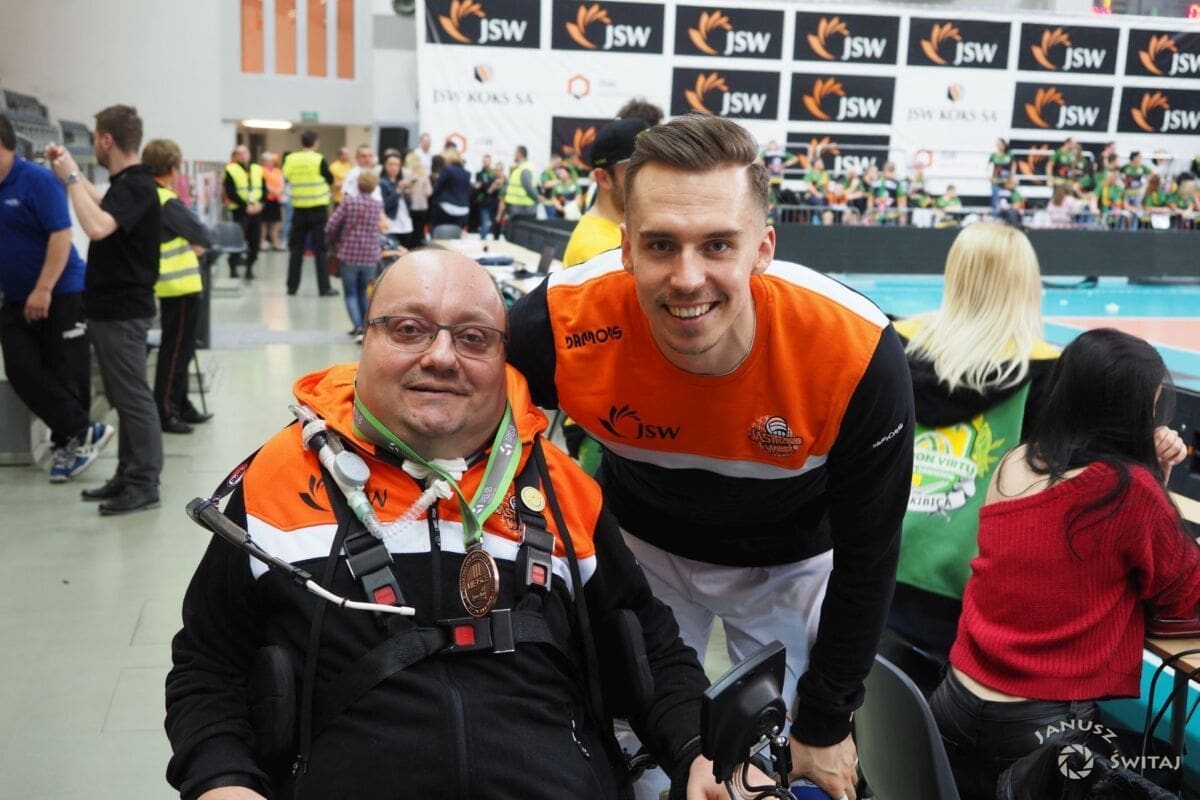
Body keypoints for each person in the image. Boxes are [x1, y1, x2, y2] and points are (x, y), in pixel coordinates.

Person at [163, 250, 729, 800]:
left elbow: (653, 651)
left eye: (473, 337)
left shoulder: (563, 490)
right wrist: (221, 779)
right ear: (366, 338)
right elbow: (208, 664)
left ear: (504, 356)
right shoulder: (279, 478)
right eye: (408, 329)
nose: (441, 356)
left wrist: (702, 749)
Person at [508, 114, 914, 800]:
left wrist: (827, 717)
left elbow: (870, 555)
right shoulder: (561, 321)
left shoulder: (855, 352)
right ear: (626, 248)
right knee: (637, 763)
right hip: (640, 553)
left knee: (784, 768)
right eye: (661, 245)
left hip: (789, 566)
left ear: (763, 248)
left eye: (718, 244)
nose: (687, 278)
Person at [928, 328, 1198, 800]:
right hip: (1042, 734)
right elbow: (1184, 592)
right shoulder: (1127, 490)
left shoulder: (1016, 460)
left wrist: (1149, 473)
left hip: (952, 705)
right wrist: (1153, 477)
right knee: (1162, 767)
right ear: (1127, 411)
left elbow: (1067, 561)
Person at [889, 223, 1057, 660]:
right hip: (972, 589)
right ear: (1025, 283)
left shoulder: (895, 343)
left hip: (880, 564)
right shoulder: (1050, 371)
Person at [45, 104, 163, 514]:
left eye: (95, 138)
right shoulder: (127, 184)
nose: (94, 144)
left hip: (122, 312)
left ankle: (144, 482)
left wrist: (70, 177)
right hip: (112, 310)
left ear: (107, 140)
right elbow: (102, 205)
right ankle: (128, 474)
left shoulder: (138, 185)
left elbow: (96, 226)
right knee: (124, 398)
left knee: (133, 399)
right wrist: (71, 170)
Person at [0, 113, 113, 483]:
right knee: (20, 368)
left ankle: (71, 444)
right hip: (16, 297)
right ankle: (84, 431)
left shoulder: (36, 180)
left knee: (66, 373)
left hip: (60, 291)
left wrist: (44, 289)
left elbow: (61, 235)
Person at [143, 138, 215, 435]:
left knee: (181, 350)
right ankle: (166, 411)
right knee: (175, 352)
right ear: (173, 168)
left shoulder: (150, 196)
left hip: (172, 285)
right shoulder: (166, 201)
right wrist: (195, 241)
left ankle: (181, 404)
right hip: (179, 285)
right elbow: (204, 234)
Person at [563, 117, 647, 268]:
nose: (650, 178)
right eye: (635, 169)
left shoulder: (628, 229)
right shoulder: (596, 251)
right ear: (603, 178)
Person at [325, 170, 383, 342]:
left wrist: (333, 241)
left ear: (358, 184)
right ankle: (366, 328)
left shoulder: (349, 202)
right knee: (365, 293)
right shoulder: (377, 205)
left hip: (348, 255)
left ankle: (358, 326)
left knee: (350, 293)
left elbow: (331, 225)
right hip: (370, 256)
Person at [281, 130, 337, 297]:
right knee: (320, 250)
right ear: (316, 143)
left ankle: (292, 287)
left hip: (298, 209)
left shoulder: (291, 159)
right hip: (318, 210)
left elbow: (286, 177)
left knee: (296, 249)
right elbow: (330, 179)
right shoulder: (318, 159)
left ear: (302, 142)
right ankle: (324, 288)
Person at [222, 145, 262, 280]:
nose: (244, 155)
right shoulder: (231, 170)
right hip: (240, 211)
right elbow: (230, 192)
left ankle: (250, 269)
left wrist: (261, 204)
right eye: (240, 153)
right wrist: (245, 206)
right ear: (236, 156)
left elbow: (263, 189)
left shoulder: (257, 169)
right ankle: (233, 267)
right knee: (237, 241)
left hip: (256, 211)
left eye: (246, 152)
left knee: (255, 243)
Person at [378, 150, 414, 250]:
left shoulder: (401, 181)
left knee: (405, 253)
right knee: (393, 255)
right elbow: (385, 205)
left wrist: (409, 194)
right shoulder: (382, 183)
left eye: (397, 165)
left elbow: (408, 206)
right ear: (385, 166)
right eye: (390, 164)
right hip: (391, 225)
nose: (394, 167)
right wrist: (397, 190)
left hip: (406, 224)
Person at [429, 146, 471, 230]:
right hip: (464, 209)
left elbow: (437, 188)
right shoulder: (467, 173)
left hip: (447, 208)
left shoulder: (447, 170)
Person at [500, 144, 538, 228]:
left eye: (515, 153)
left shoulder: (525, 168)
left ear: (519, 154)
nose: (514, 155)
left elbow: (529, 187)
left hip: (524, 209)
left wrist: (537, 197)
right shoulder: (518, 168)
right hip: (517, 208)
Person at [404, 149, 431, 245]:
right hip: (423, 206)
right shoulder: (424, 174)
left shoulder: (406, 173)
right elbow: (429, 192)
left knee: (410, 230)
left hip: (410, 206)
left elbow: (405, 191)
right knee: (419, 231)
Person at [259, 152, 284, 250]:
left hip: (276, 200)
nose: (271, 162)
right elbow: (264, 185)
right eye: (268, 161)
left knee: (276, 222)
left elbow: (282, 183)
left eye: (272, 161)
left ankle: (275, 242)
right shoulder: (261, 171)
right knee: (263, 223)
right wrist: (274, 191)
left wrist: (279, 192)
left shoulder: (277, 171)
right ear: (264, 161)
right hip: (266, 200)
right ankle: (261, 243)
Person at [473, 153, 501, 240]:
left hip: (494, 203)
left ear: (490, 161)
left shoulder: (494, 174)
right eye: (485, 161)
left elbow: (495, 186)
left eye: (488, 161)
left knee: (495, 225)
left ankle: (494, 242)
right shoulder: (479, 174)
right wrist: (488, 186)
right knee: (485, 224)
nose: (486, 163)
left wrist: (488, 186)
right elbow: (481, 187)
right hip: (484, 203)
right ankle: (482, 242)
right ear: (482, 161)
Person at [987, 138, 1012, 213]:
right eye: (998, 145)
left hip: (1006, 182)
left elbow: (1013, 165)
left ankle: (1004, 216)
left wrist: (1012, 176)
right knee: (995, 200)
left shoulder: (1009, 155)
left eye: (1001, 144)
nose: (999, 146)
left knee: (1005, 201)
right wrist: (988, 176)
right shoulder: (994, 155)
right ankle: (995, 215)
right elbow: (988, 166)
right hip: (996, 180)